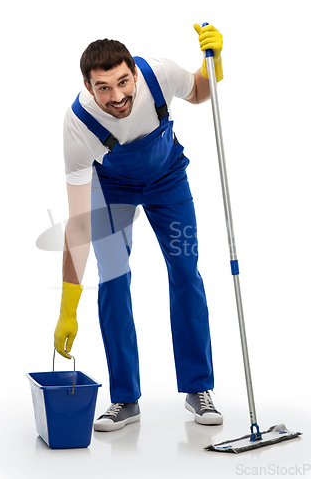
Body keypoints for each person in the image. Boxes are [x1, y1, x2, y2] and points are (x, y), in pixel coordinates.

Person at [54, 24, 224, 432]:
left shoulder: (159, 74)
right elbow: (78, 228)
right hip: (113, 189)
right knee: (113, 280)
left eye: (123, 81)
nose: (117, 96)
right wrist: (67, 307)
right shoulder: (77, 127)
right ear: (87, 87)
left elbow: (201, 93)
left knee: (185, 270)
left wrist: (215, 60)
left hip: (169, 180)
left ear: (134, 71)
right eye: (103, 88)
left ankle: (198, 388)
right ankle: (124, 399)